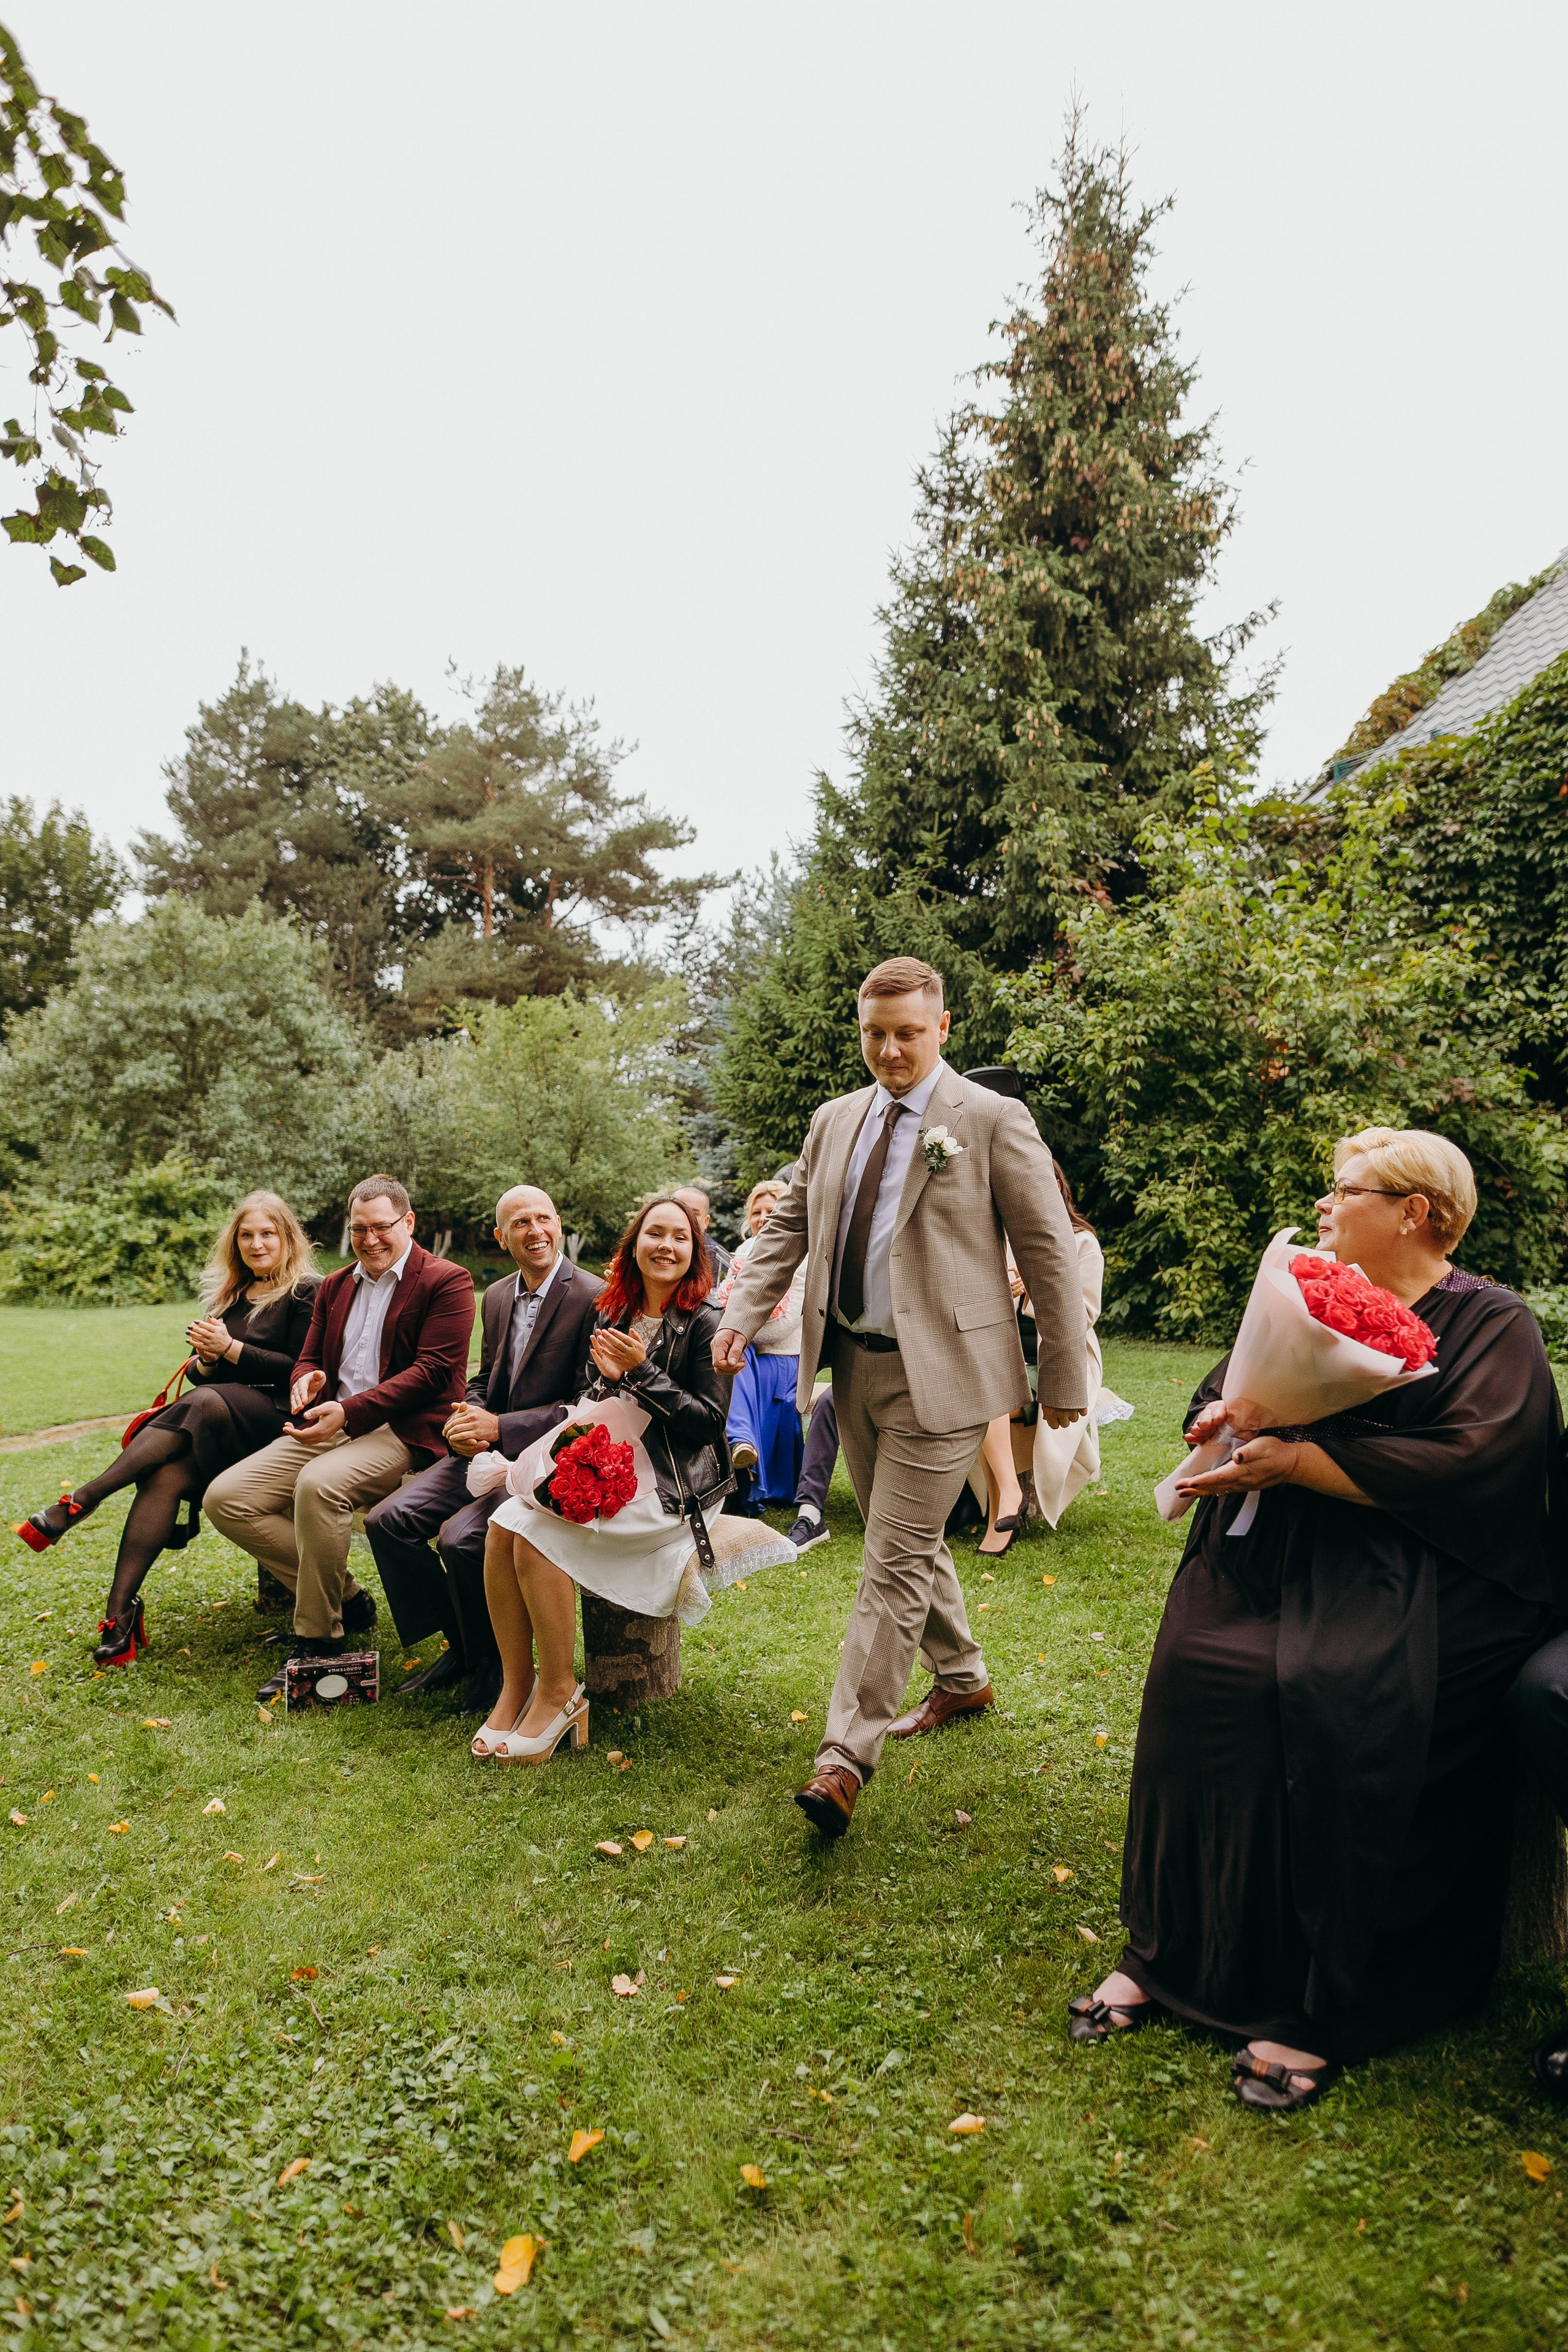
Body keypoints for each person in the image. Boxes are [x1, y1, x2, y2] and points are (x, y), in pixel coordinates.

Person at [1076, 1128, 1564, 2114]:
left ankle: (1326, 1994)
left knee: (1326, 1687)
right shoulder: (1306, 1287)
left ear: (1416, 1212)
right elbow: (1228, 1385)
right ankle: (1167, 1950)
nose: (1326, 1206)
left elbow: (1479, 1464)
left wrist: (1304, 1461)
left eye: (1348, 1190)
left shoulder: (1493, 1323)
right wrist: (1230, 1418)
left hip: (1418, 1571)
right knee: (1199, 1668)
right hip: (1281, 1552)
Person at [715, 955, 1087, 1837]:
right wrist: (741, 1311)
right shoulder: (833, 1119)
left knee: (890, 1562)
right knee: (906, 1537)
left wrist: (1063, 1374)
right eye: (874, 1034)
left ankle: (843, 1757)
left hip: (947, 1374)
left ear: (943, 1028)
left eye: (908, 1033)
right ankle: (963, 1678)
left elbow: (1048, 1251)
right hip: (850, 1366)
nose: (889, 1050)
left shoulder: (991, 1119)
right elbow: (790, 1225)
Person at [473, 1194, 733, 1763]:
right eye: (655, 1234)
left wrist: (641, 1373)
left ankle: (560, 1693)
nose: (667, 1246)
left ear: (695, 1252)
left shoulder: (707, 1321)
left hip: (675, 1484)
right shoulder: (613, 1311)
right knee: (502, 1525)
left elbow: (708, 1425)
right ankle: (517, 1685)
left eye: (681, 1238)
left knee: (535, 1539)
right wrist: (595, 1411)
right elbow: (594, 1400)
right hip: (611, 1459)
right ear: (634, 1245)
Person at [13, 1191, 320, 1667]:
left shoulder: (307, 1293)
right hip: (224, 1419)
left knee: (204, 1403)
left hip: (279, 1423)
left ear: (288, 1239)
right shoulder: (231, 1296)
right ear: (235, 1242)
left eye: (267, 1234)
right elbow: (203, 1375)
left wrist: (231, 1349)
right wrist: (209, 1358)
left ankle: (84, 1499)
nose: (257, 1244)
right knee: (164, 1475)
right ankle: (118, 1619)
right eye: (246, 1235)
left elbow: (301, 1369)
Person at [203, 1176, 473, 1701]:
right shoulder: (335, 1285)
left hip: (404, 1430)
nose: (370, 1240)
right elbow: (308, 1356)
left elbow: (434, 1372)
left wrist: (348, 1412)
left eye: (381, 1227)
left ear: (408, 1222)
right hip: (331, 1421)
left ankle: (319, 1642)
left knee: (319, 1484)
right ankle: (347, 1598)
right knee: (227, 1499)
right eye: (358, 1229)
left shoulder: (447, 1280)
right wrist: (307, 1378)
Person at [364, 1185, 603, 1708]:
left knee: (461, 1539)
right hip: (485, 1449)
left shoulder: (593, 1296)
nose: (535, 1231)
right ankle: (466, 1647)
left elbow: (588, 1405)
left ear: (559, 1223)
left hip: (547, 1458)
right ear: (500, 1237)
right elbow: (485, 1376)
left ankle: (497, 1666)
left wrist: (502, 1428)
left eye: (543, 1218)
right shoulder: (495, 1295)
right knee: (388, 1521)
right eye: (520, 1223)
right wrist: (465, 1417)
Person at [966, 1158, 1109, 1555]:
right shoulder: (996, 1239)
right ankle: (1007, 1500)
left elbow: (1082, 1315)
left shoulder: (1082, 1243)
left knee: (989, 1388)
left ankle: (1004, 1505)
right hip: (997, 1357)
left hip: (1056, 1361)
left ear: (1057, 1189)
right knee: (984, 1379)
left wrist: (1034, 1289)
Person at [719, 1180, 804, 1514]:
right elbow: (724, 1301)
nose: (764, 1218)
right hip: (750, 1353)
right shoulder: (743, 1251)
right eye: (757, 1212)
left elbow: (786, 1324)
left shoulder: (802, 1254)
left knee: (734, 1354)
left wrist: (738, 1332)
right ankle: (740, 1451)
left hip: (783, 1355)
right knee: (733, 1357)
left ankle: (742, 1446)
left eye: (773, 1210)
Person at [673, 1186, 731, 1282]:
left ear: (706, 1222)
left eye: (693, 1214)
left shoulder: (717, 1258)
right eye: (679, 1211)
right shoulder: (656, 1244)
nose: (685, 1217)